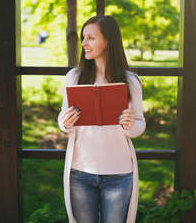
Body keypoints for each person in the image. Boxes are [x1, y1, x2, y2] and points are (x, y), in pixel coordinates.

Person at [58, 15, 146, 223]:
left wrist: (130, 125)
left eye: (91, 38)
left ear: (108, 41)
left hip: (119, 174)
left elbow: (140, 125)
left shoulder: (131, 82)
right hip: (80, 172)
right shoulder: (74, 77)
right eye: (83, 37)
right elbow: (63, 122)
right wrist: (65, 122)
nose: (84, 43)